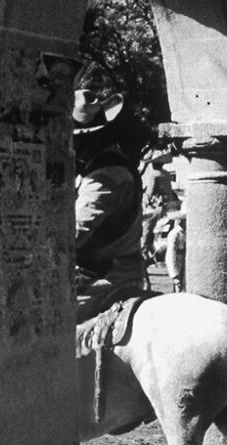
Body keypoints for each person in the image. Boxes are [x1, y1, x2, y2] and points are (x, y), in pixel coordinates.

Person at [73, 89, 146, 321]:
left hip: (107, 276)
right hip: (107, 269)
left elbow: (74, 234)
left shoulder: (106, 176)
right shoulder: (98, 169)